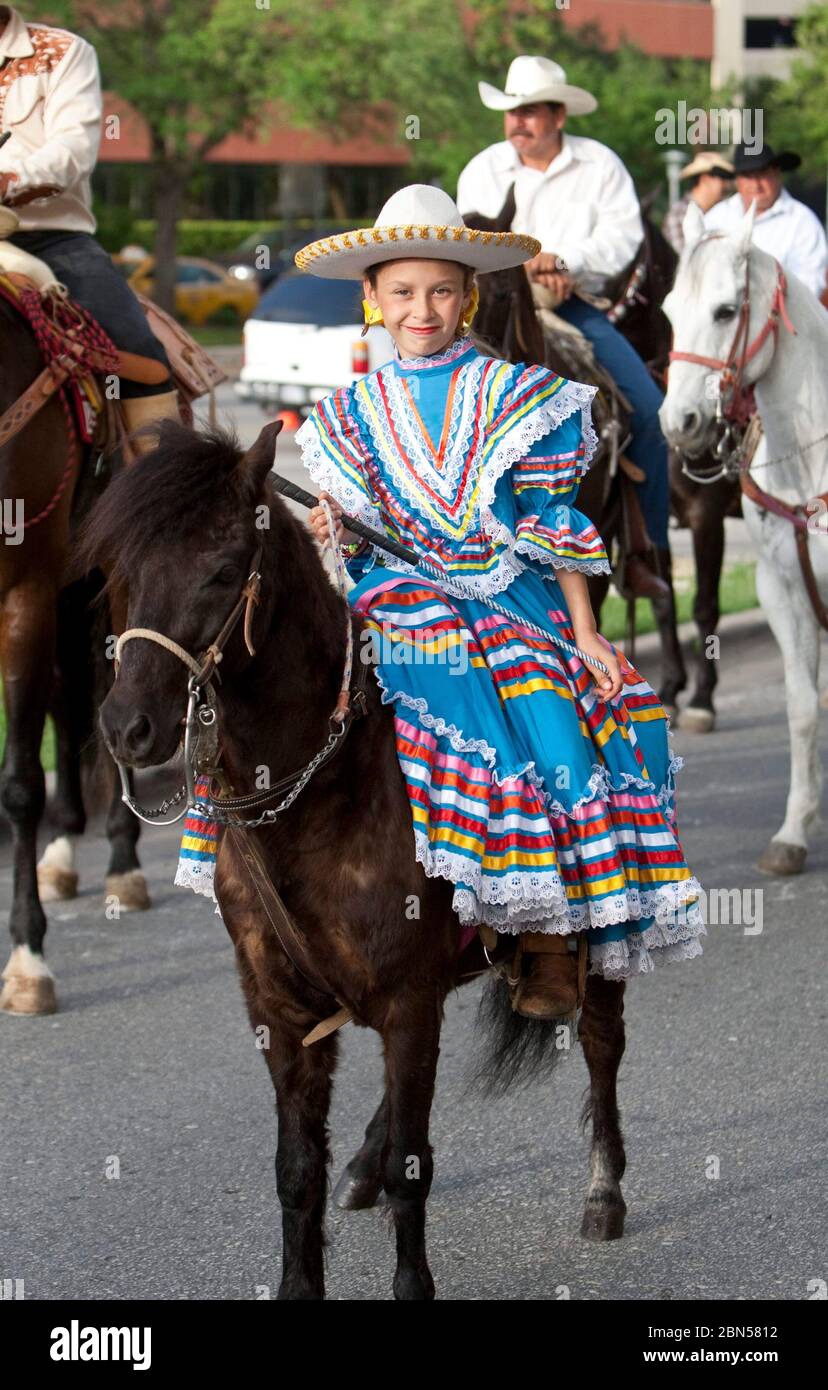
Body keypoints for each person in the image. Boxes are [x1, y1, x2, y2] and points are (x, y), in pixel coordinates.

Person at [294, 184, 703, 1019]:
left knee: (555, 709)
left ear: (468, 294)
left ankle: (545, 935)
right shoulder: (346, 416)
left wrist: (584, 630)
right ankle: (304, 908)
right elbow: (355, 538)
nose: (423, 309)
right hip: (395, 598)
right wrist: (335, 526)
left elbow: (556, 522)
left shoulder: (520, 395)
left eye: (441, 290)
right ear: (371, 299)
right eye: (402, 292)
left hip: (511, 593)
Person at [455, 55, 672, 587]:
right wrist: (525, 260)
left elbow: (624, 239)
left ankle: (646, 553)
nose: (517, 123)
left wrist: (563, 260)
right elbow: (465, 242)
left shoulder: (601, 165)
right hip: (494, 310)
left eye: (529, 112)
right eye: (511, 112)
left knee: (648, 413)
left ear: (558, 115)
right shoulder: (482, 169)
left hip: (573, 305)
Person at [0, 5, 178, 437]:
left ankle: (162, 495)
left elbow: (72, 150)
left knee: (141, 357)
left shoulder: (61, 51)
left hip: (47, 237)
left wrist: (7, 181)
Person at [704, 142, 828, 301]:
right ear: (737, 180)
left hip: (780, 319)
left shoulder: (802, 222)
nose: (756, 185)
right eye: (747, 176)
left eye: (762, 174)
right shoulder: (716, 218)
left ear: (777, 174)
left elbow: (810, 285)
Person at [662, 151, 733, 257]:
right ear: (705, 179)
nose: (726, 184)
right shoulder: (680, 213)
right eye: (722, 177)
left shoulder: (723, 213)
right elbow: (683, 257)